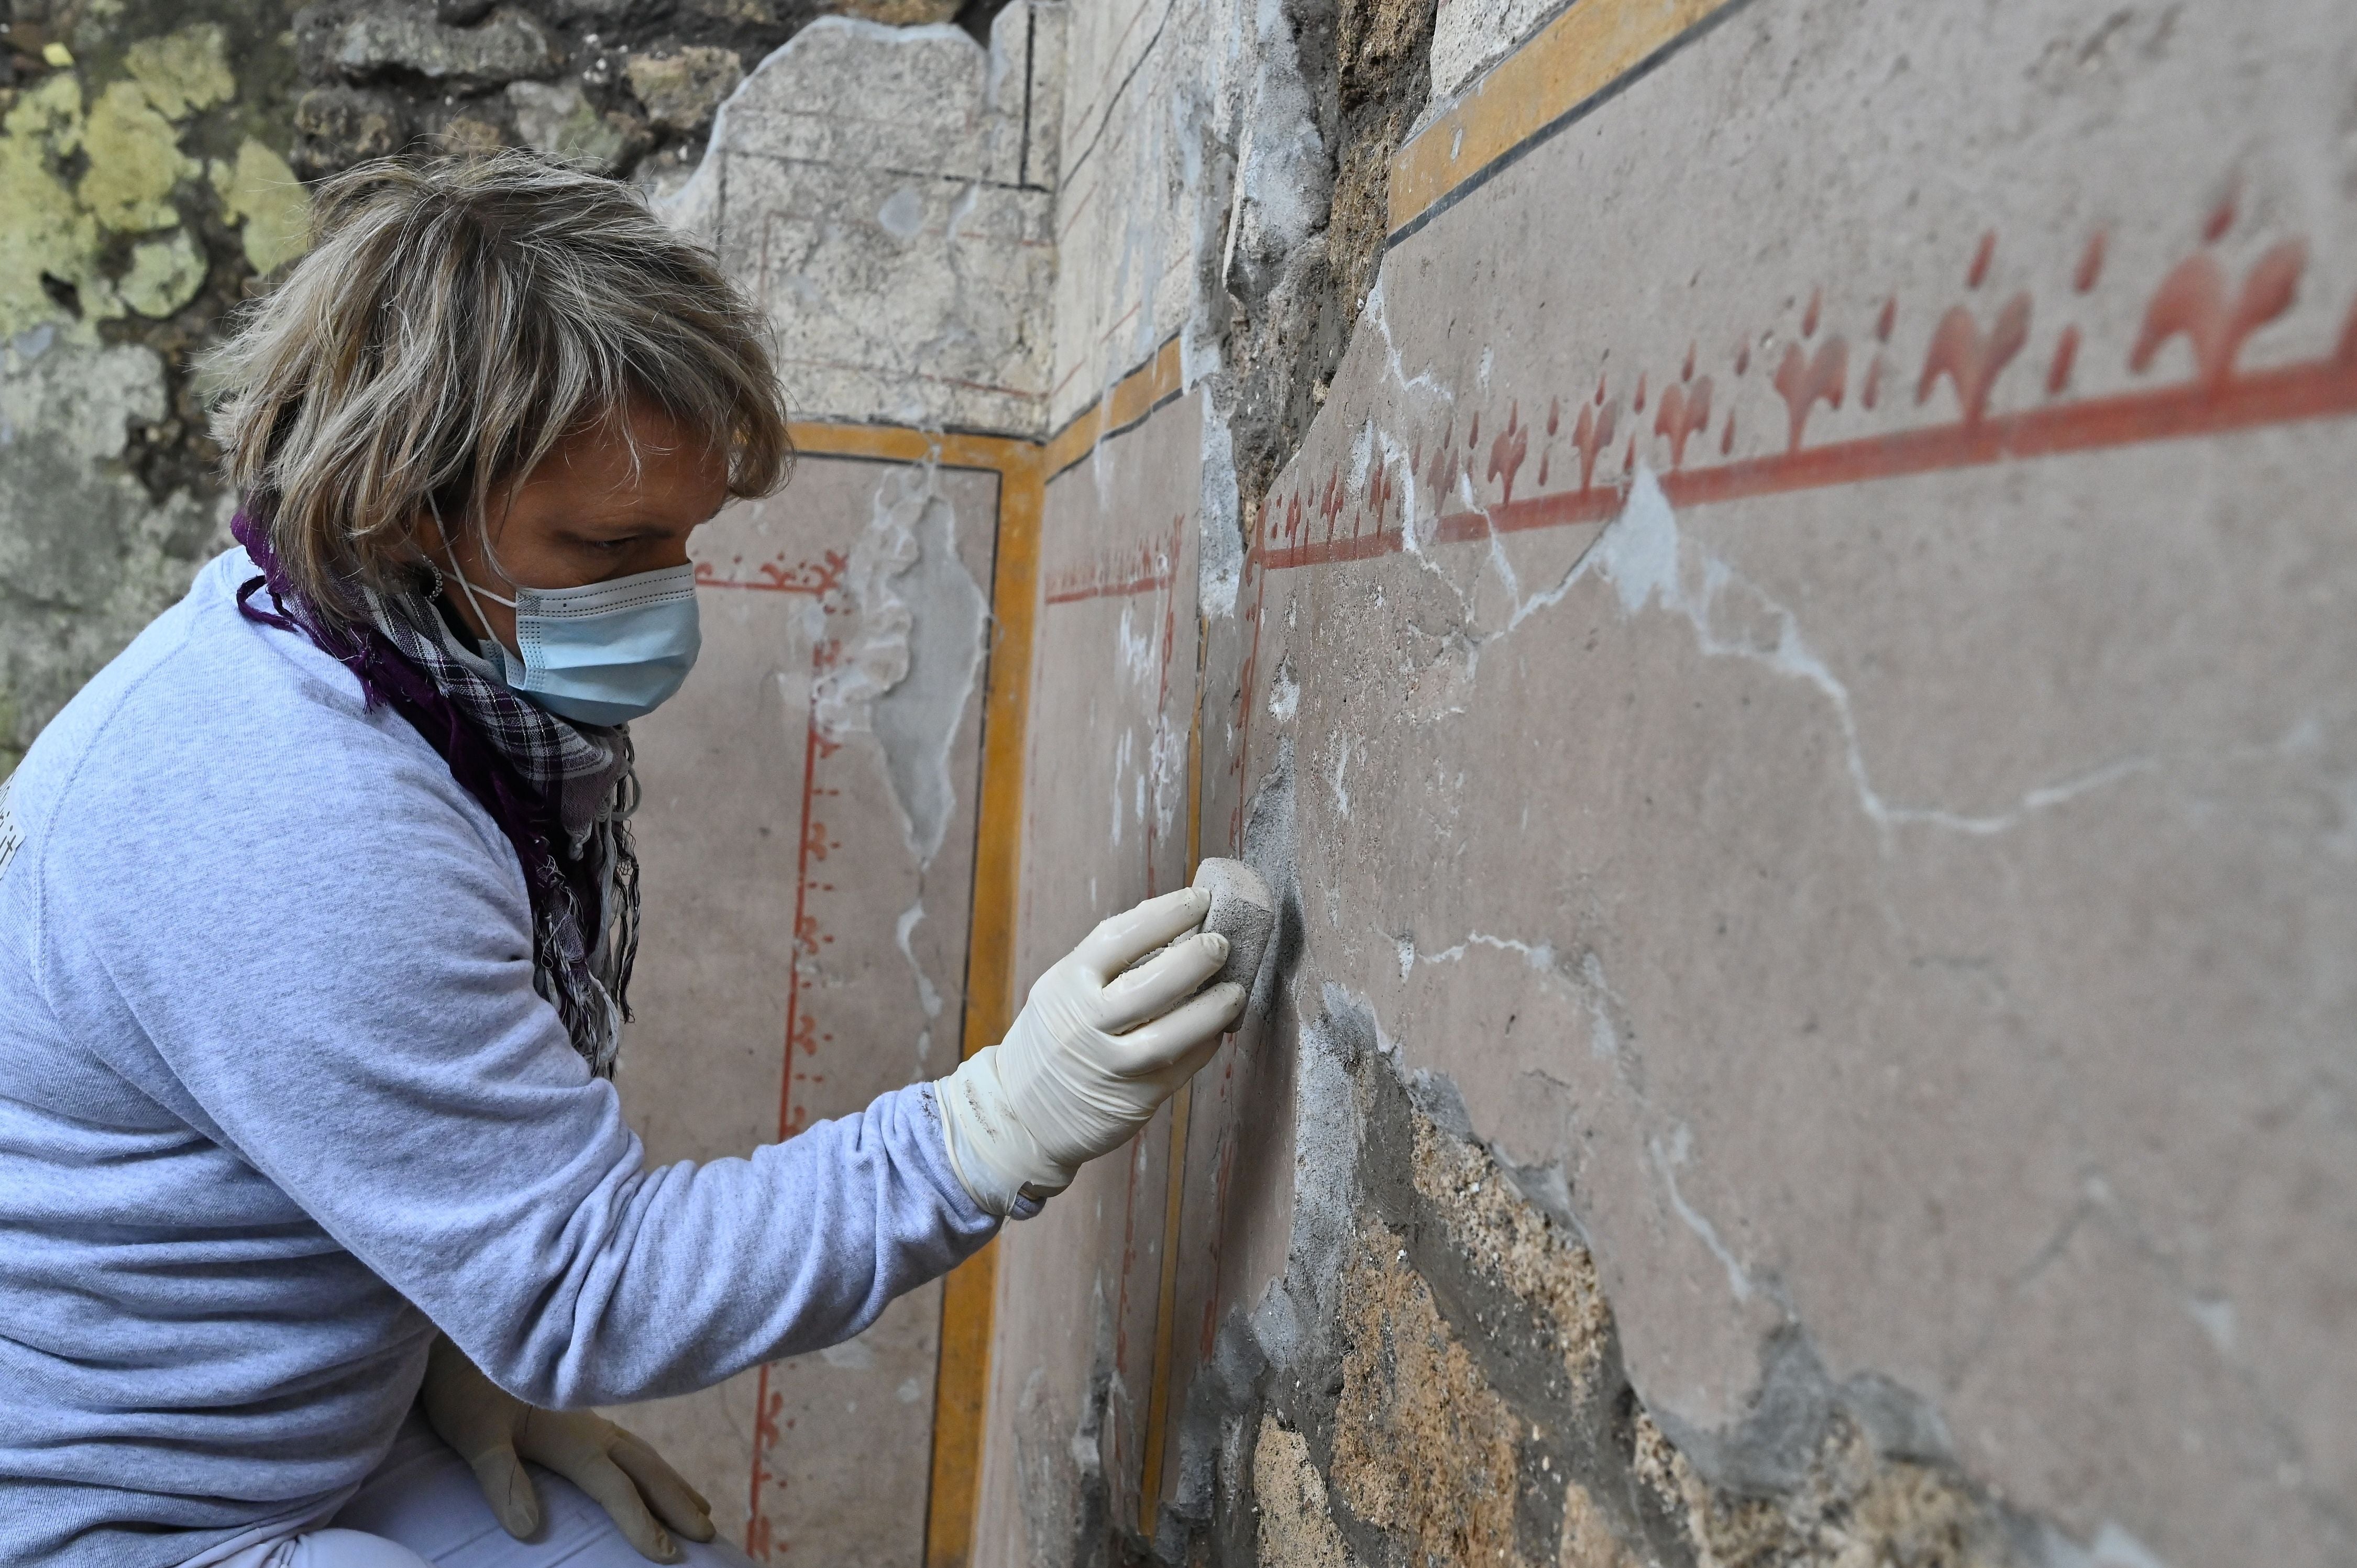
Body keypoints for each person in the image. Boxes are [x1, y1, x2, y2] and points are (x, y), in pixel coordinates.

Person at [0, 152, 1247, 1568]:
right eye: (611, 545)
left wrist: (444, 1362)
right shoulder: (290, 813)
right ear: (405, 503)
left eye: (686, 541)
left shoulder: (338, 635)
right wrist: (989, 1132)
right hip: (105, 1522)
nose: (667, 594)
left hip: (287, 1429)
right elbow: (590, 1286)